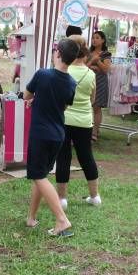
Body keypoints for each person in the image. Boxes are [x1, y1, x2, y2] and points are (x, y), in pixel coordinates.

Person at [24, 38, 78, 237]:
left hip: (41, 134)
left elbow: (26, 96)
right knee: (41, 176)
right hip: (57, 135)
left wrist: (34, 100)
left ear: (58, 53)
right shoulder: (72, 82)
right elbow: (61, 105)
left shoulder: (42, 74)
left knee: (38, 176)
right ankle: (31, 217)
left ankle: (62, 220)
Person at [56, 37, 101, 208]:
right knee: (86, 156)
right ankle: (95, 196)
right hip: (84, 121)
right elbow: (92, 99)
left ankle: (62, 199)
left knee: (63, 157)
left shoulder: (64, 71)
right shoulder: (91, 74)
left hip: (64, 119)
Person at [87, 30, 112, 141]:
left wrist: (97, 62)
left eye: (97, 38)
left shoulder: (106, 54)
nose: (94, 40)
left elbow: (106, 70)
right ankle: (87, 129)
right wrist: (92, 64)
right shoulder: (88, 52)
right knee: (87, 106)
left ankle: (95, 131)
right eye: (93, 38)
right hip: (87, 81)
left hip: (100, 82)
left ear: (103, 40)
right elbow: (83, 65)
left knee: (96, 107)